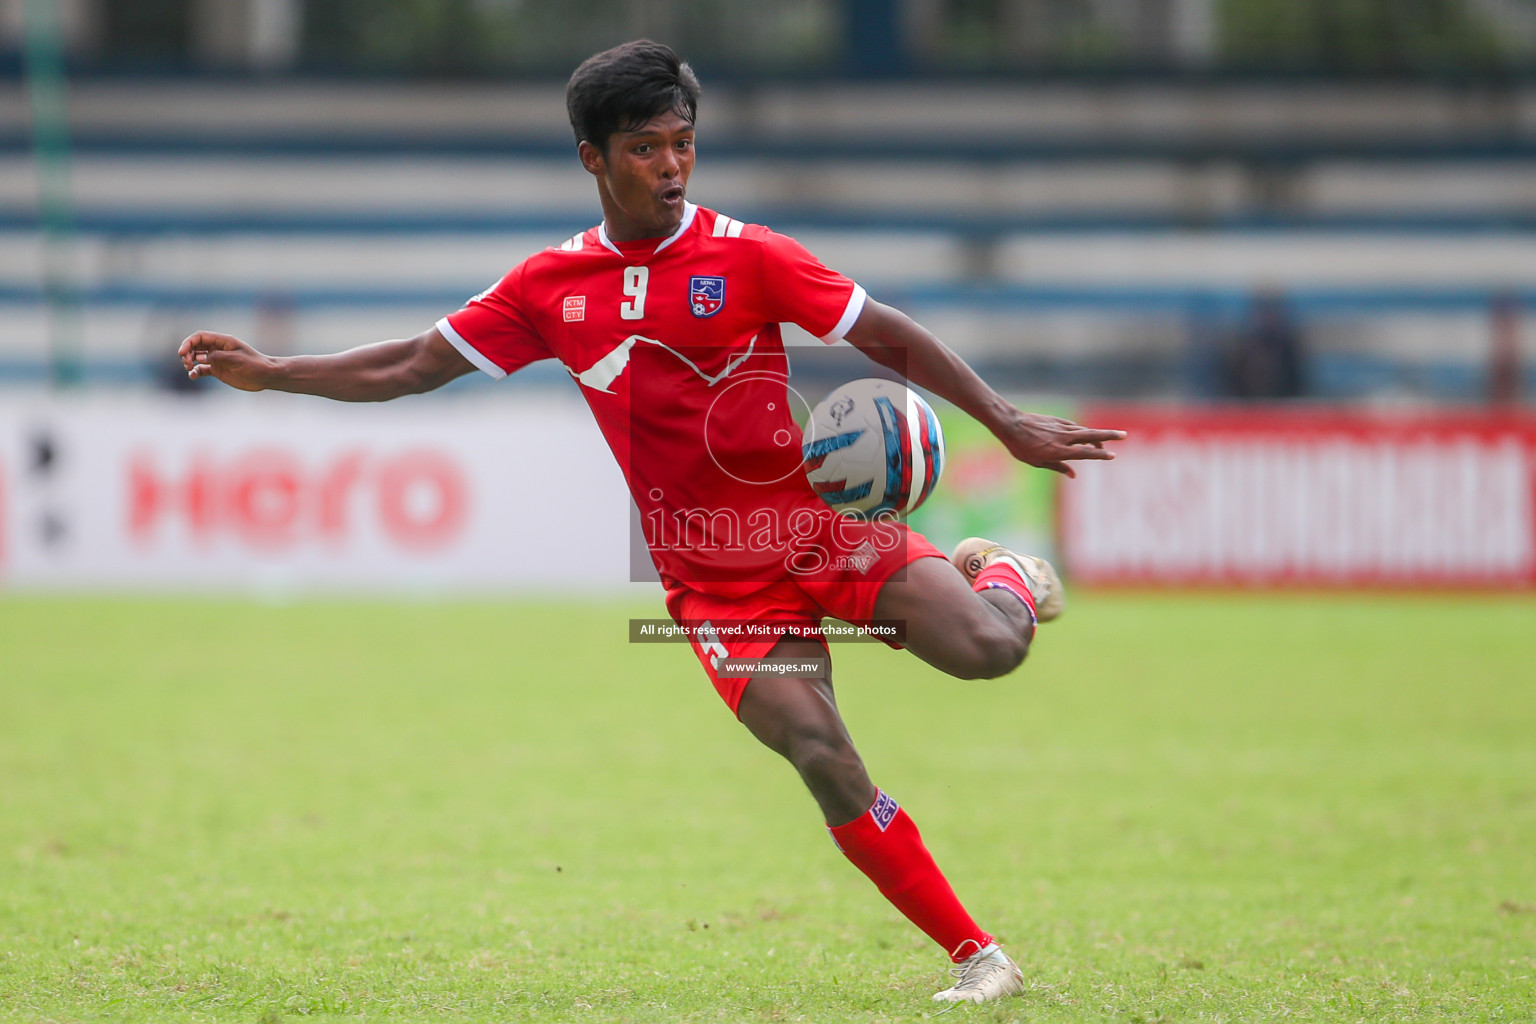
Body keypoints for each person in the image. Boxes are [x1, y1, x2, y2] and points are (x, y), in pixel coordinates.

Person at [179, 40, 1125, 1005]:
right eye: (644, 148)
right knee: (823, 753)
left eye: (683, 144)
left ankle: (1003, 572)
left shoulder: (749, 254)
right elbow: (413, 365)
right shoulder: (549, 287)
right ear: (592, 157)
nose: (670, 166)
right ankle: (979, 955)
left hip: (818, 526)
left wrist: (1005, 422)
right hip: (715, 578)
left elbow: (886, 330)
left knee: (990, 652)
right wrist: (277, 373)